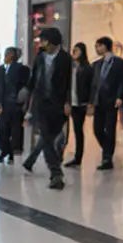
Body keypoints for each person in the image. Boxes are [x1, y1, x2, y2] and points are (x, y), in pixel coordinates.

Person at [22, 27, 72, 190]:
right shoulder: (40, 57)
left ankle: (31, 160)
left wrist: (68, 102)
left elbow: (69, 83)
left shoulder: (65, 59)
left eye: (45, 40)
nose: (42, 44)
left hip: (58, 105)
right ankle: (56, 173)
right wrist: (26, 92)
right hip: (41, 103)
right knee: (46, 136)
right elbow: (34, 78)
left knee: (50, 136)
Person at [90, 36, 123, 170]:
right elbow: (93, 84)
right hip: (99, 100)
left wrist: (120, 97)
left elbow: (122, 81)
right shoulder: (96, 64)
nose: (97, 48)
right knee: (97, 129)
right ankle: (108, 149)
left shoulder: (119, 62)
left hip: (112, 100)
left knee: (110, 128)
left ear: (105, 46)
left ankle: (107, 157)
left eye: (99, 46)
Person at [0, 47, 30, 164]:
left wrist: (21, 100)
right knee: (2, 130)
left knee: (15, 130)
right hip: (2, 104)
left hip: (15, 104)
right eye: (7, 53)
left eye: (10, 53)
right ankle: (4, 151)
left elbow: (25, 85)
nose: (7, 55)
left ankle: (12, 153)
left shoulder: (22, 69)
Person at [65, 42, 94, 167]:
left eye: (76, 50)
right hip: (71, 102)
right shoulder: (70, 67)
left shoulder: (87, 68)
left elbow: (91, 86)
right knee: (72, 129)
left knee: (78, 129)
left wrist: (90, 102)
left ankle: (78, 157)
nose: (74, 53)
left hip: (81, 103)